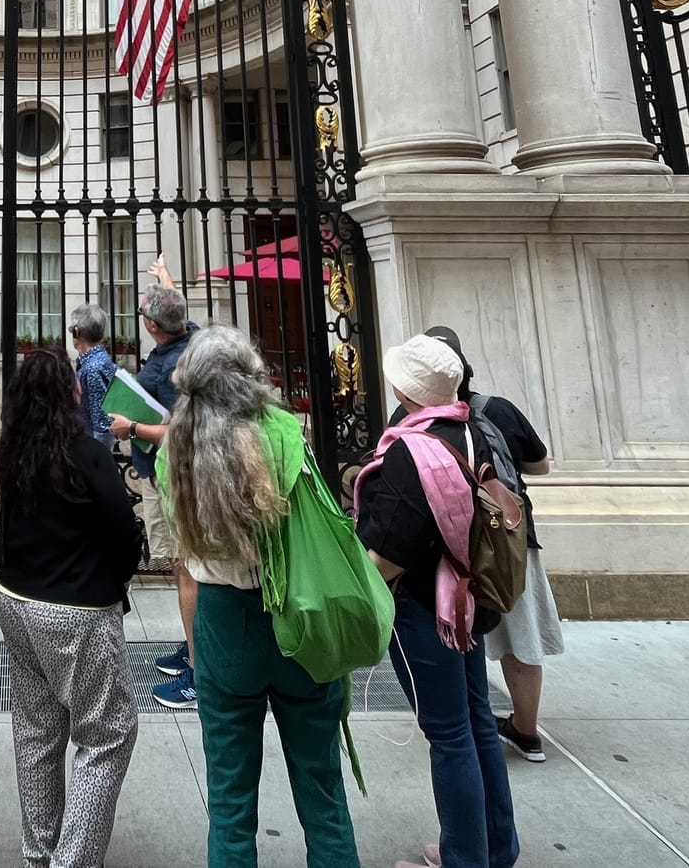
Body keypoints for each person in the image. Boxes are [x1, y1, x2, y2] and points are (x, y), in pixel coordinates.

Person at [162, 326, 361, 868]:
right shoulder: (282, 430)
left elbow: (182, 546)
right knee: (323, 795)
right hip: (297, 614)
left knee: (228, 801)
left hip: (224, 620)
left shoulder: (175, 442)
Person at [352, 333, 519, 868]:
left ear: (407, 389)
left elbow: (390, 552)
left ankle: (465, 857)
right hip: (469, 598)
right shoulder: (476, 432)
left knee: (448, 734)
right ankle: (496, 847)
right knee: (475, 721)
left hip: (427, 608)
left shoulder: (411, 449)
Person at [0, 347, 143, 868]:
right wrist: (111, 579)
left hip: (15, 600)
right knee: (108, 734)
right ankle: (72, 860)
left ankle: (40, 850)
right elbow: (125, 532)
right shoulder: (86, 452)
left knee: (36, 730)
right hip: (76, 608)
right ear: (68, 394)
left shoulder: (12, 451)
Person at [424, 326, 560, 766]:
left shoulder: (415, 417)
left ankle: (464, 721)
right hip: (509, 538)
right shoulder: (497, 408)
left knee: (453, 629)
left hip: (447, 547)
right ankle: (526, 729)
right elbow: (539, 464)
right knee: (520, 633)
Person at [104, 257, 199, 709]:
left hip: (174, 476)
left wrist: (132, 429)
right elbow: (176, 307)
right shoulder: (194, 339)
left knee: (187, 567)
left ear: (154, 328)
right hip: (179, 473)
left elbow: (184, 428)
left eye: (145, 315)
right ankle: (195, 643)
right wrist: (165, 280)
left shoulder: (170, 368)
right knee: (187, 565)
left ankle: (201, 670)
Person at [68, 302, 116, 447]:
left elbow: (101, 424)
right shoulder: (100, 360)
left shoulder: (93, 368)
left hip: (89, 448)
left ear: (77, 332)